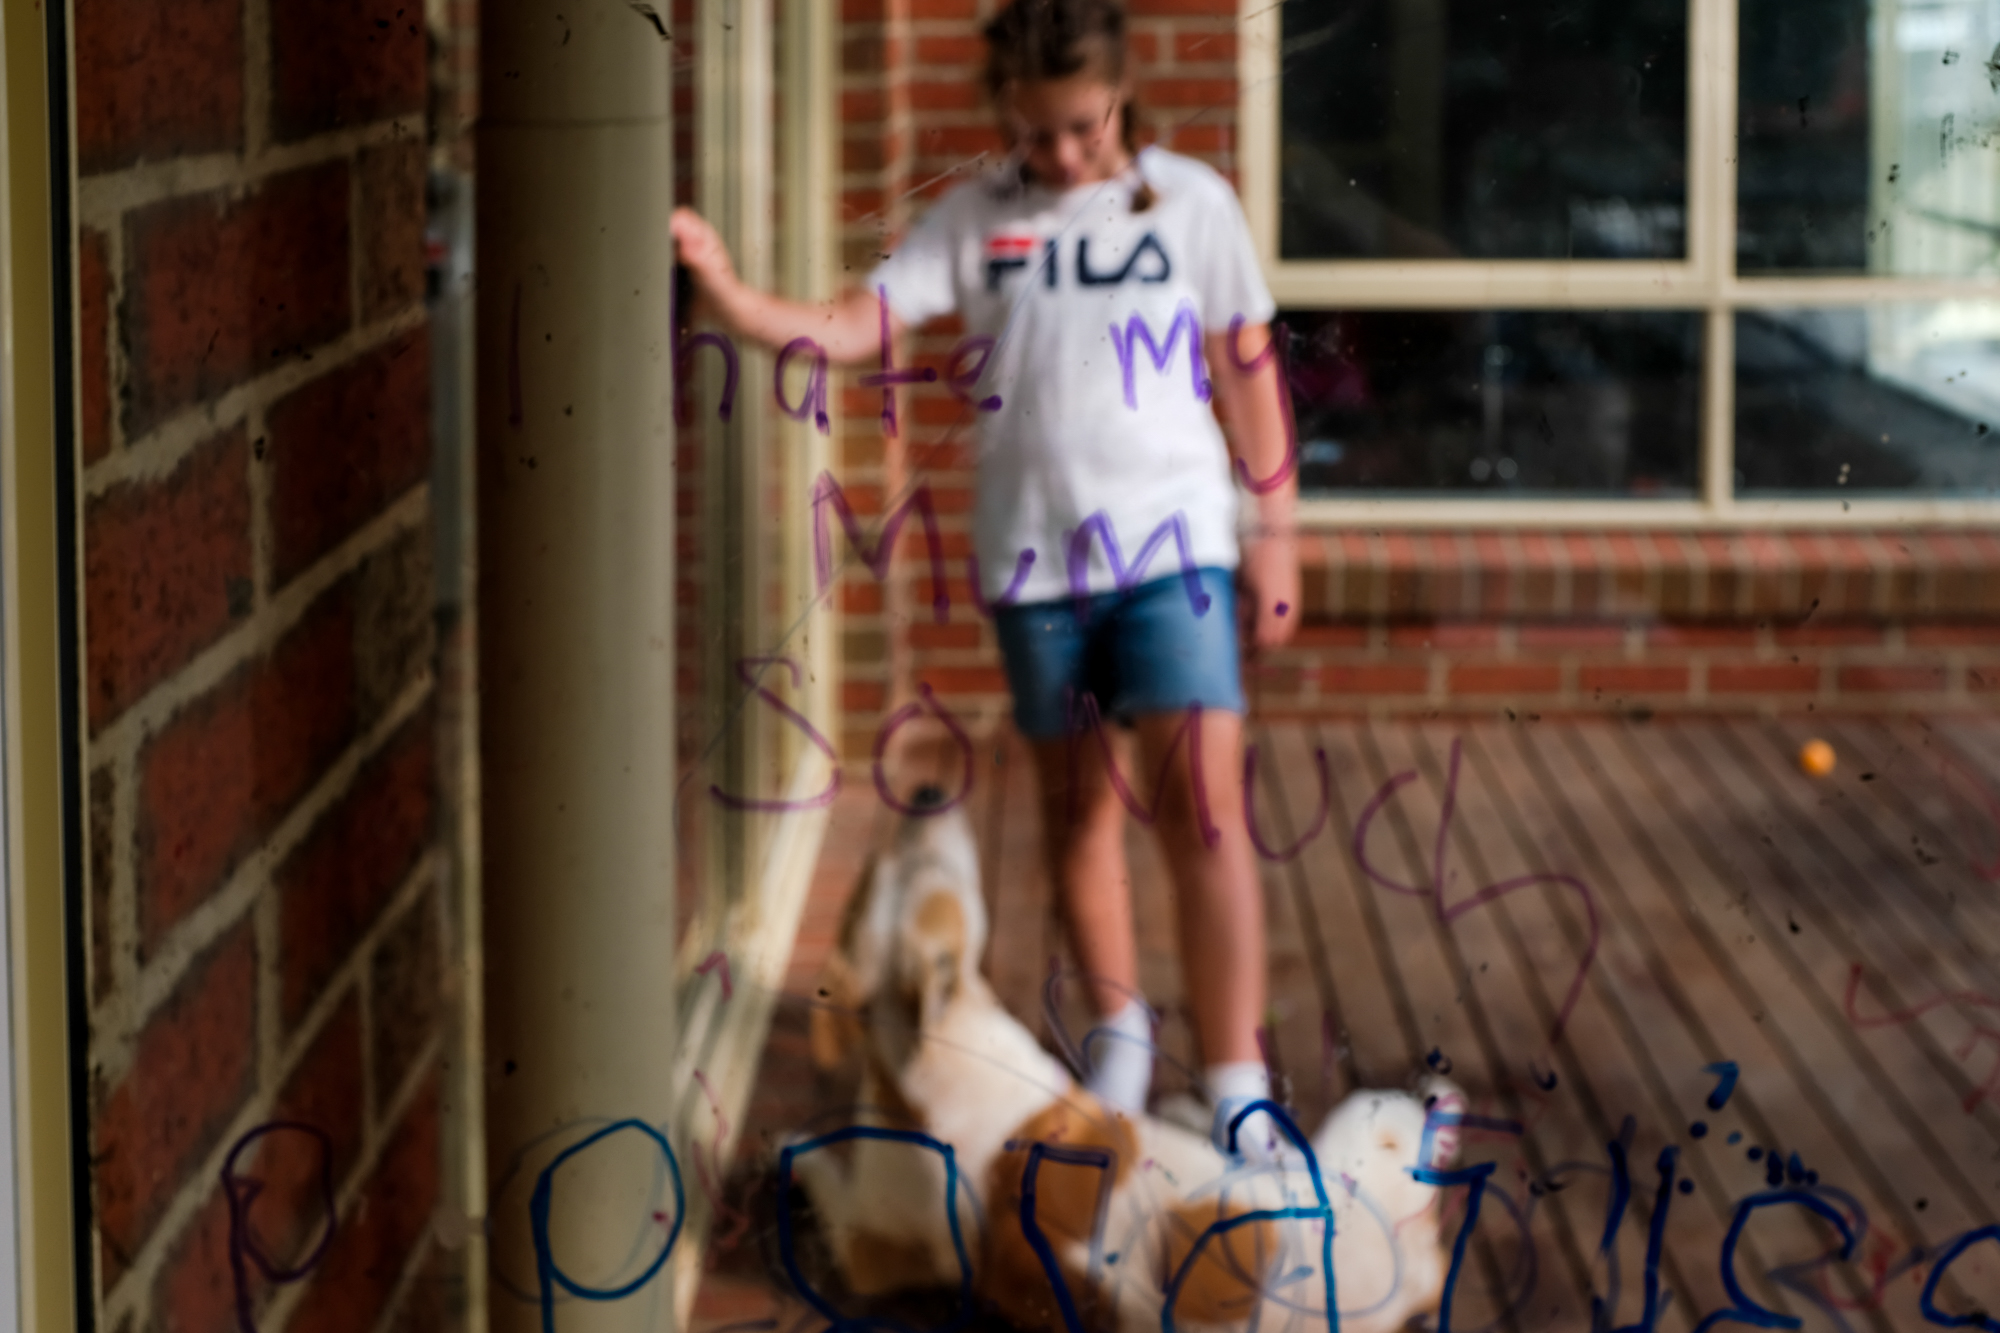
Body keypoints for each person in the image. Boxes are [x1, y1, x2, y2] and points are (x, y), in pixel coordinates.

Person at [670, 0, 1299, 1155]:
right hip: (1037, 569)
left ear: (1118, 91)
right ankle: (1118, 1045)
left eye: (1079, 128)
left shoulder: (1195, 205)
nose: (1058, 155)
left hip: (1175, 551)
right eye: (1034, 132)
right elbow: (861, 323)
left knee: (1202, 810)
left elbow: (1247, 373)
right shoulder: (974, 218)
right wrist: (731, 297)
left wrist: (1276, 532)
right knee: (1077, 818)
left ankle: (1236, 1081)